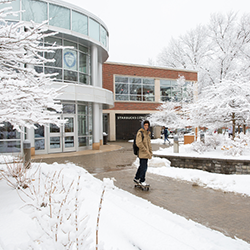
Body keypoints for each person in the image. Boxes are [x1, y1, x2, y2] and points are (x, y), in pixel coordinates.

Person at [134, 120, 152, 186]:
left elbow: (149, 144)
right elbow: (139, 143)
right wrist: (145, 150)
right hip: (142, 153)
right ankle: (142, 180)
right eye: (145, 125)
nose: (146, 127)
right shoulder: (140, 133)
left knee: (142, 166)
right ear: (142, 125)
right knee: (144, 167)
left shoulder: (147, 133)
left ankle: (137, 177)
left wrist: (150, 152)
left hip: (146, 153)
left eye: (147, 125)